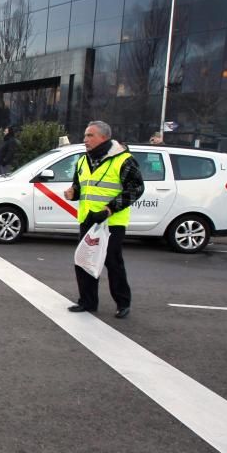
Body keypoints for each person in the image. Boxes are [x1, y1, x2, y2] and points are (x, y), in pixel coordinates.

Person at [63, 121, 145, 319]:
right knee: (84, 260)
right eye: (85, 136)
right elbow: (80, 186)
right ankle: (87, 302)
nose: (85, 140)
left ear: (103, 137)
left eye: (90, 136)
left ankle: (123, 303)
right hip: (87, 218)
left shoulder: (123, 159)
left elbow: (136, 188)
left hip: (111, 222)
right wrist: (73, 193)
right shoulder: (84, 160)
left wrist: (110, 209)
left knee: (112, 262)